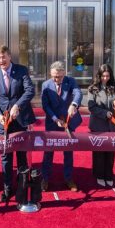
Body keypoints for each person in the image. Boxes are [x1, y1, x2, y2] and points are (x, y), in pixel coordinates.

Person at [0, 45, 36, 203]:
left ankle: (22, 188)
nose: (1, 60)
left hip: (20, 121)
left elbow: (30, 90)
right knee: (5, 158)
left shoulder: (21, 70)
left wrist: (18, 106)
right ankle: (8, 189)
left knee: (22, 157)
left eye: (3, 57)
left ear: (9, 56)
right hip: (4, 124)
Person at [40, 61, 82, 191]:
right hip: (52, 122)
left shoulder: (71, 81)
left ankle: (69, 179)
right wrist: (55, 119)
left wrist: (74, 105)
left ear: (63, 73)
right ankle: (45, 179)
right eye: (53, 76)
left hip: (68, 122)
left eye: (58, 76)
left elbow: (78, 93)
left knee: (68, 152)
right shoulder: (46, 85)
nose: (55, 79)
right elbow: (45, 105)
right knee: (48, 152)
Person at [88, 64, 115, 187]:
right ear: (99, 76)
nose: (105, 78)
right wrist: (105, 113)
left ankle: (109, 175)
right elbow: (91, 107)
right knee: (99, 152)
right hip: (98, 125)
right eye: (103, 76)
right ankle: (99, 175)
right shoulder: (93, 88)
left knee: (110, 152)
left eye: (107, 76)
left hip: (113, 125)